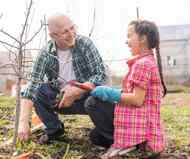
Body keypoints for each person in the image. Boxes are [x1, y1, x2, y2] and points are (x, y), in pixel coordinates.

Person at [18, 14, 115, 146]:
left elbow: (100, 74)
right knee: (40, 90)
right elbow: (31, 88)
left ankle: (109, 132)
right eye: (65, 31)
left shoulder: (85, 44)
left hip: (89, 98)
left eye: (72, 28)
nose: (71, 34)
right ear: (53, 36)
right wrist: (23, 123)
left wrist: (77, 90)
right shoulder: (45, 54)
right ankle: (54, 129)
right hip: (63, 101)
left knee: (96, 106)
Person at [91, 20, 167, 158]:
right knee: (95, 136)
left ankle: (130, 143)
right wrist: (114, 91)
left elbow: (137, 100)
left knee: (92, 103)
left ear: (143, 38)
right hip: (143, 122)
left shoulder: (142, 64)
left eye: (129, 35)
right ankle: (134, 142)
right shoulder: (147, 61)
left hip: (139, 124)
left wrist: (110, 93)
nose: (127, 41)